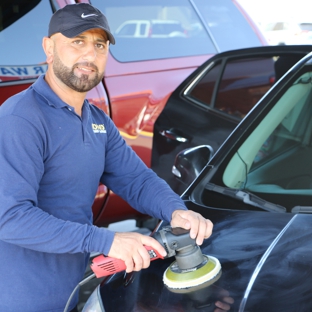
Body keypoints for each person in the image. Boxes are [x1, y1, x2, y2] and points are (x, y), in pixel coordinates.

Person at [0, 3, 213, 312]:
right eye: (77, 41)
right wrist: (107, 241)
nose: (90, 54)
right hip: (18, 300)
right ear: (48, 48)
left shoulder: (96, 120)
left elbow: (136, 179)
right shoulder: (20, 119)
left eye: (99, 44)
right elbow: (10, 218)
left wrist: (176, 211)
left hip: (68, 294)